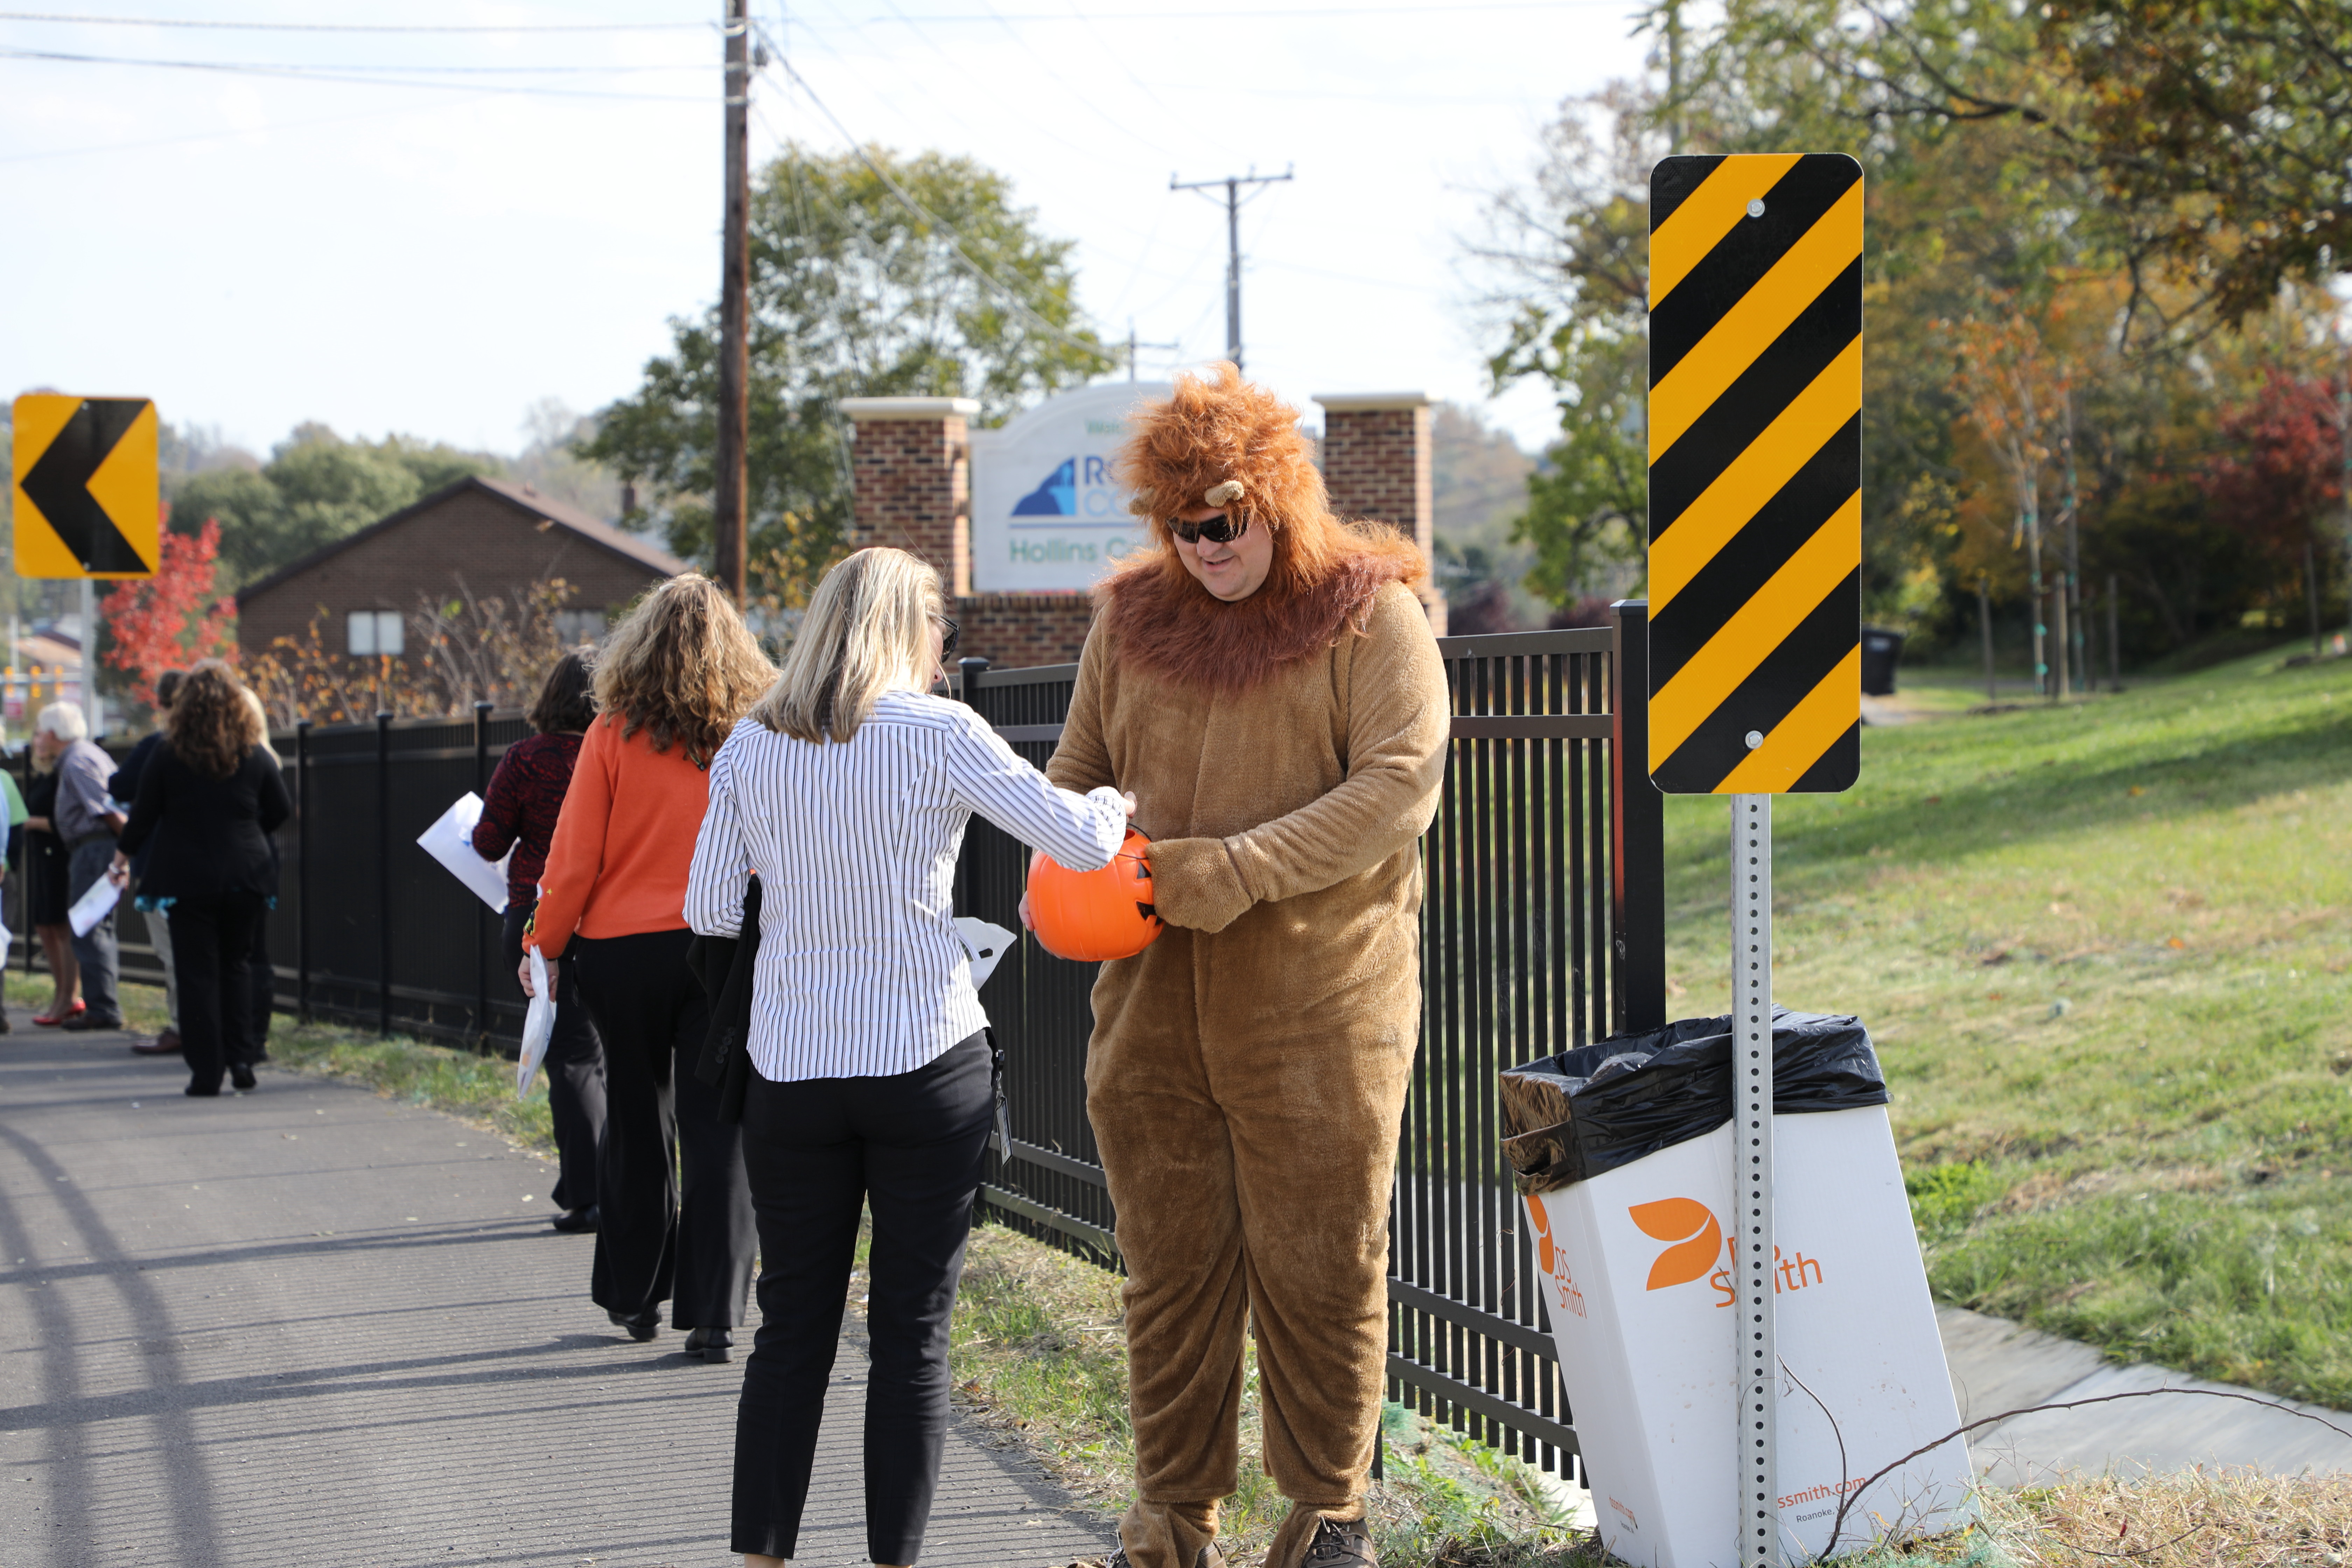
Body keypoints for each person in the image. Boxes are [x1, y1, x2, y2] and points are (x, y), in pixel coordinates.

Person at [1040, 365, 1449, 1568]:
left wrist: (1240, 866)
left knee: (1324, 1263)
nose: (1206, 543)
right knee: (1168, 1275)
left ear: (1278, 498)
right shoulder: (1128, 620)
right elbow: (1071, 779)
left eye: (1225, 516)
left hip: (1321, 1005)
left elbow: (1398, 785)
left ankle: (1329, 1515)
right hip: (1152, 1007)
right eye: (1181, 524)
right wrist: (1075, 861)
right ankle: (1168, 1521)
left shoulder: (1371, 615)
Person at [684, 547, 1134, 1568]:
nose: (945, 651)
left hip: (792, 1068)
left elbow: (707, 906)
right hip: (924, 1055)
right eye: (941, 632)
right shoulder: (938, 731)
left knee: (790, 1326)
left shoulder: (751, 744)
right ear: (910, 631)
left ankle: (762, 1554)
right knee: (911, 1330)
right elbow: (1077, 841)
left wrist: (802, 894)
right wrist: (1114, 805)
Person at [523, 575, 769, 1357]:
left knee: (636, 1118)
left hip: (620, 952)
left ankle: (634, 1294)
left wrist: (548, 943)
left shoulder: (611, 732)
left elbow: (574, 857)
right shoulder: (757, 731)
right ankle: (716, 1311)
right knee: (717, 1127)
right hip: (720, 945)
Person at [108, 662, 292, 1096]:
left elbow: (143, 814)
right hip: (248, 873)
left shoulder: (169, 752)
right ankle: (242, 1058)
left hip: (188, 877)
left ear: (184, 706)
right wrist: (249, 830)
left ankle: (206, 1072)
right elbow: (281, 808)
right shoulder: (252, 752)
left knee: (196, 974)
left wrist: (121, 859)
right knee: (236, 965)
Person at [476, 648, 608, 1233]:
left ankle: (588, 1193)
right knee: (614, 1060)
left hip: (538, 915)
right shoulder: (618, 753)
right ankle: (622, 1181)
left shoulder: (526, 759)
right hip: (611, 917)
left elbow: (487, 842)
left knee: (572, 1060)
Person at [34, 702, 127, 1032]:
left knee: (90, 927)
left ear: (54, 732)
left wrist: (129, 852)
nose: (38, 739)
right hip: (93, 848)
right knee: (91, 927)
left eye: (41, 731)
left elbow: (107, 810)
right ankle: (102, 1004)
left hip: (94, 849)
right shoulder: (84, 756)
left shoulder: (77, 762)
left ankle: (103, 1007)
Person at [113, 670, 188, 1057]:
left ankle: (182, 1025)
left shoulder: (159, 748)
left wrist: (120, 858)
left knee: (173, 951)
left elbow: (123, 790)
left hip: (162, 865)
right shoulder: (232, 747)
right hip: (219, 867)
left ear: (162, 704)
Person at [21, 740, 79, 1025]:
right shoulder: (44, 775)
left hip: (61, 856)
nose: (38, 744)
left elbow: (66, 820)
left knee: (62, 925)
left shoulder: (66, 772)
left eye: (44, 737)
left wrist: (33, 823)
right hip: (41, 857)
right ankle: (60, 993)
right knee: (44, 926)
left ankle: (70, 997)